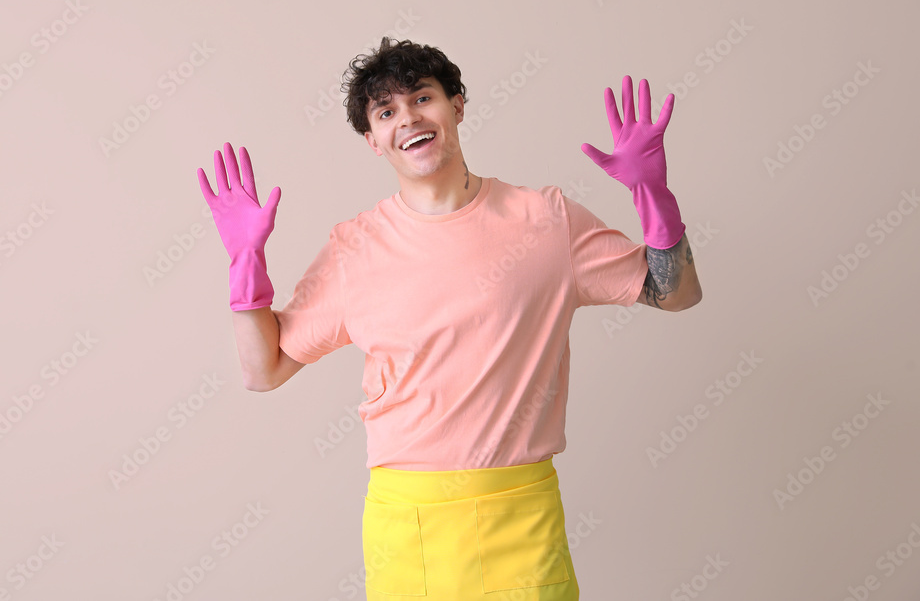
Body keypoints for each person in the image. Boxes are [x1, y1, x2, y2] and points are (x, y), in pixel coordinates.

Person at [197, 37, 702, 600]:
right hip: (408, 529)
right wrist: (246, 267)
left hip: (522, 518)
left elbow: (674, 292)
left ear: (456, 105)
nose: (408, 118)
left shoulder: (547, 219)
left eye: (422, 98)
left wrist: (654, 196)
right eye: (386, 112)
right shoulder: (354, 249)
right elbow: (263, 369)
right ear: (372, 141)